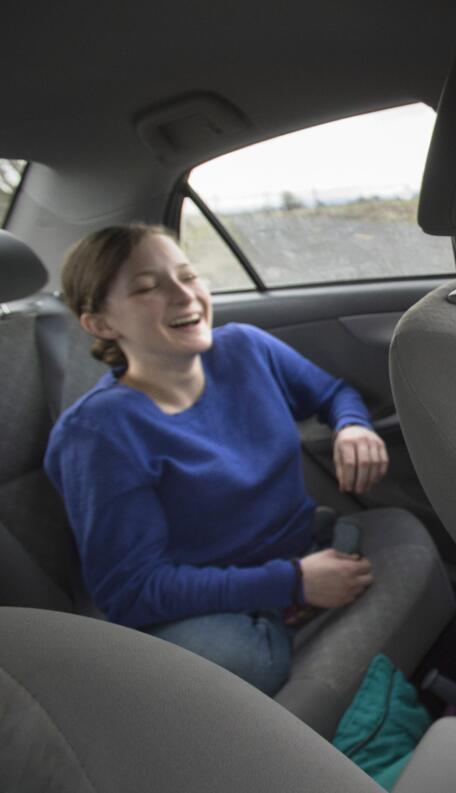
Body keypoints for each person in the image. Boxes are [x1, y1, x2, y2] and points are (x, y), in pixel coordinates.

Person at [45, 223, 389, 695]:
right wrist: (291, 583)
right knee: (245, 663)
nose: (183, 295)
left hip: (293, 550)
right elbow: (131, 590)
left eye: (187, 276)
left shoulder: (246, 348)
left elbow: (333, 393)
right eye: (148, 288)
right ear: (102, 324)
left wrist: (353, 425)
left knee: (377, 537)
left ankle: (291, 609)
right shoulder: (98, 435)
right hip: (203, 600)